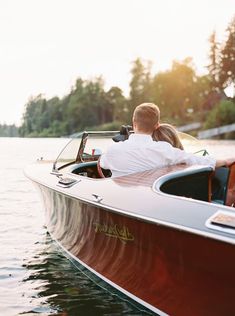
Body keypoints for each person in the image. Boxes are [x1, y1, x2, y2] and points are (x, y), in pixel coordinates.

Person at [100, 103, 235, 178]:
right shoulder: (164, 149)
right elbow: (197, 159)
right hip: (150, 207)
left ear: (133, 122)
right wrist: (225, 161)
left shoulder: (113, 150)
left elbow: (102, 164)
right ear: (157, 125)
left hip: (119, 204)